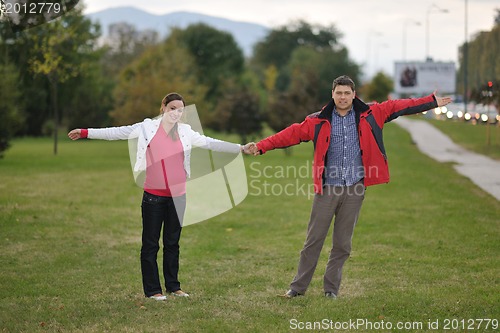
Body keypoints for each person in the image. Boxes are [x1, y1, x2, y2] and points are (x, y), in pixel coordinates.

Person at [248, 75, 451, 299]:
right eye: (339, 93)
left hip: (354, 189)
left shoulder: (372, 114)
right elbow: (291, 133)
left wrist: (432, 101)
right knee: (313, 241)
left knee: (342, 244)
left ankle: (331, 290)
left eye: (347, 93)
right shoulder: (318, 120)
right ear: (332, 95)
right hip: (328, 189)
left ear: (354, 95)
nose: (343, 97)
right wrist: (262, 146)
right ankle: (297, 288)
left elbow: (401, 106)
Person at [68, 92, 254, 301]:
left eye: (181, 109)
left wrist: (239, 148)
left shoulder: (185, 131)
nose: (176, 112)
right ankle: (152, 290)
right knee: (150, 244)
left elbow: (209, 142)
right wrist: (85, 132)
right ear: (163, 107)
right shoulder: (146, 128)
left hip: (178, 196)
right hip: (153, 197)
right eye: (173, 108)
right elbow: (116, 132)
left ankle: (174, 286)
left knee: (172, 243)